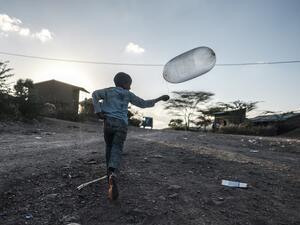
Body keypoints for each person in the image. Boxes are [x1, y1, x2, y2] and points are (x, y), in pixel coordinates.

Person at [92, 72, 169, 201]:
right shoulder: (128, 94)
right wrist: (159, 98)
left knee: (109, 147)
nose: (130, 87)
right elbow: (143, 103)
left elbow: (95, 94)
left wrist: (98, 111)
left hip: (108, 122)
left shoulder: (108, 91)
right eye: (129, 84)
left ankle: (108, 175)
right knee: (117, 147)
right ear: (124, 84)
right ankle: (113, 172)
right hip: (121, 124)